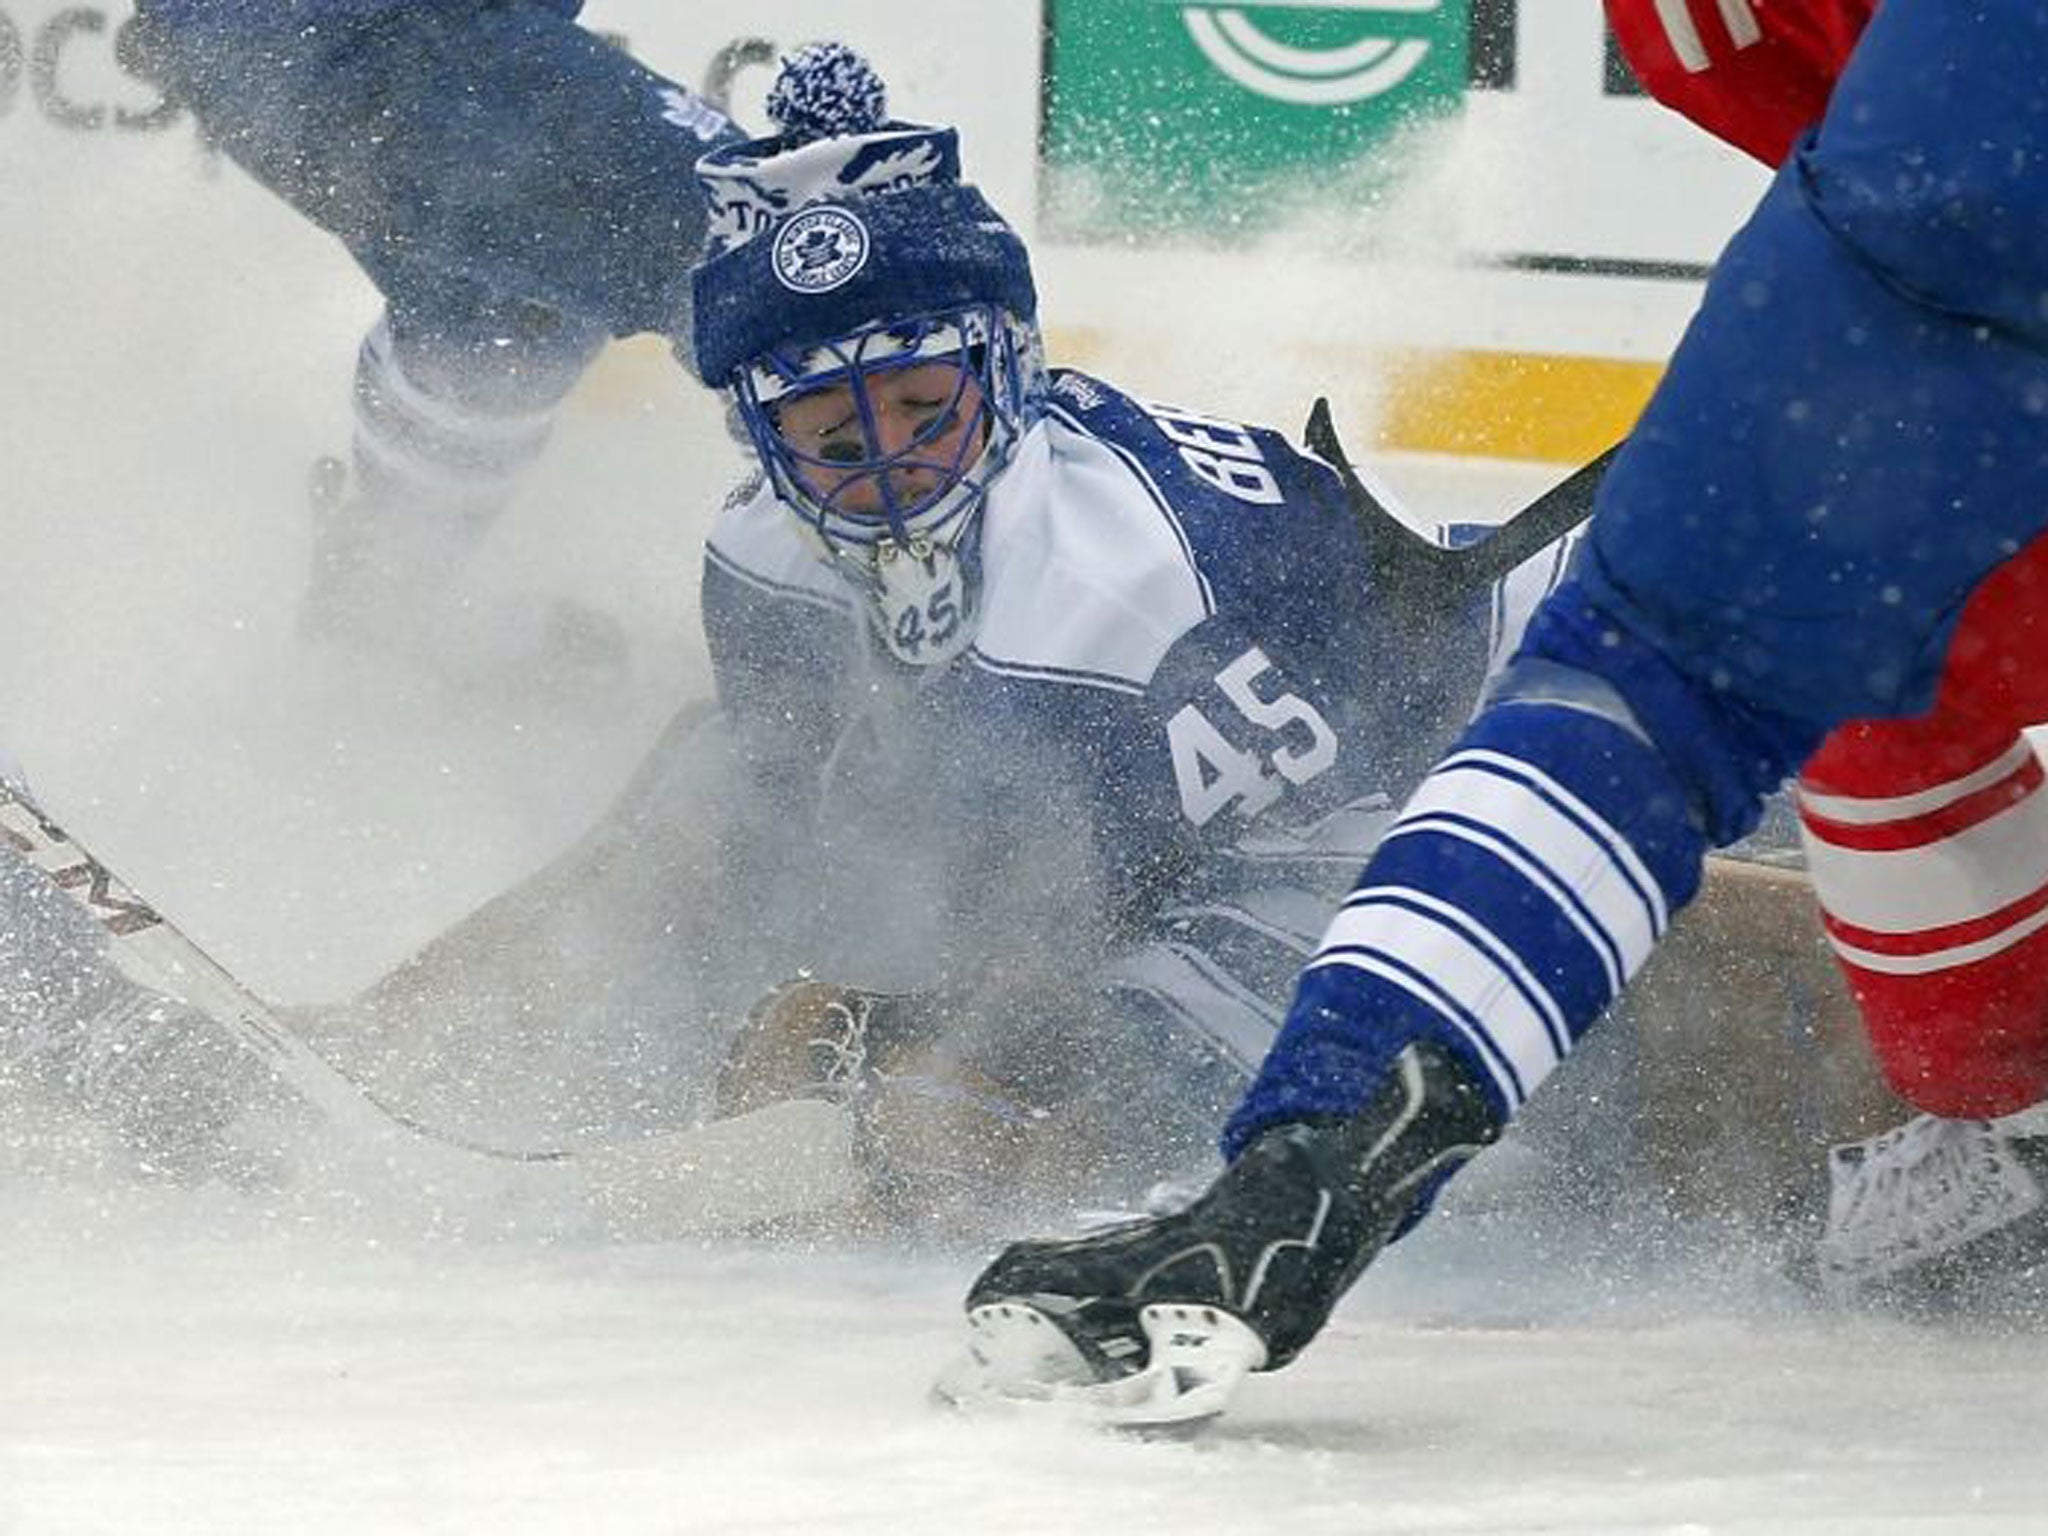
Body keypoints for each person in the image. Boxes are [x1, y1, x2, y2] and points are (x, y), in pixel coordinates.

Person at [952, 0, 2048, 1422]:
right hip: (1937, 250)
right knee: (1865, 691)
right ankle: (2022, 1116)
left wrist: (1321, 1148)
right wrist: (1320, 1151)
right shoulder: (1906, 149)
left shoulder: (1945, 145)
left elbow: (1648, 690)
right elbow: (1652, 691)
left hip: (1945, 227)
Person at [345, 42, 1582, 1227]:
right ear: (756, 436)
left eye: (922, 406)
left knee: (980, 1128)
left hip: (1469, 772)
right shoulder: (756, 555)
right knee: (704, 791)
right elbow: (768, 831)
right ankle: (363, 1050)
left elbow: (1308, 883)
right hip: (1186, 857)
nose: (882, 465)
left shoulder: (1132, 588)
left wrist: (958, 1080)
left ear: (1010, 372)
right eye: (829, 433)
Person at [125, 0, 738, 673]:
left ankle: (384, 598)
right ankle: (831, 674)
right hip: (368, 33)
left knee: (503, 323)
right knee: (766, 235)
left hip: (292, 42)